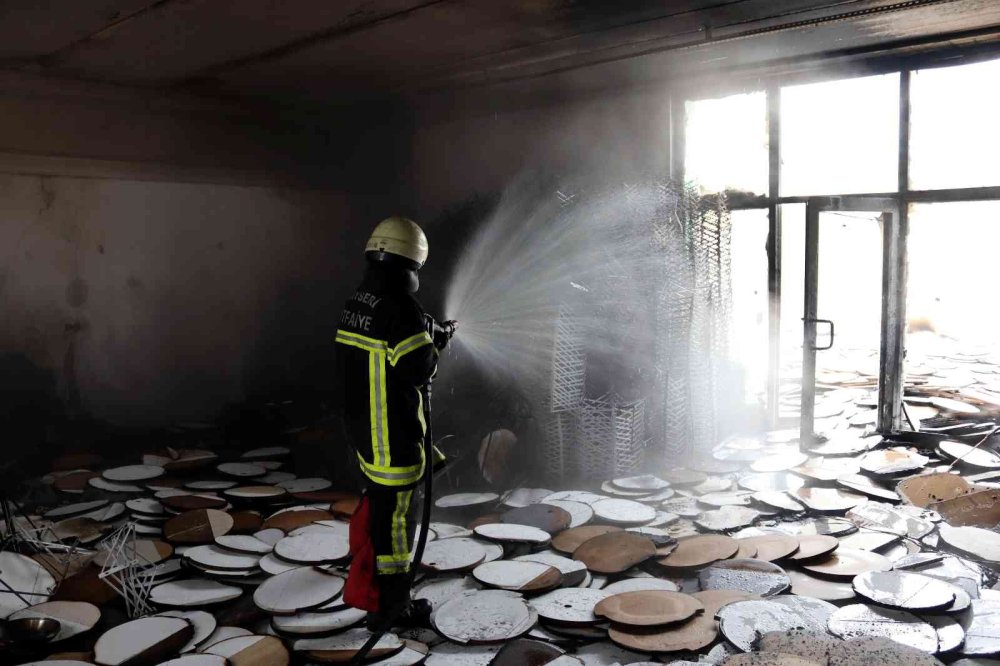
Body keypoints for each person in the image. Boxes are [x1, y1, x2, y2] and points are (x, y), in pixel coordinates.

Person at [335, 216, 452, 629]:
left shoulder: (360, 301)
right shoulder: (402, 308)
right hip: (392, 440)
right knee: (399, 526)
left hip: (365, 434)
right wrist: (436, 346)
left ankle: (376, 589)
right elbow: (419, 368)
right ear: (412, 263)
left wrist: (428, 332)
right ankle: (391, 605)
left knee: (383, 512)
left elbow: (386, 352)